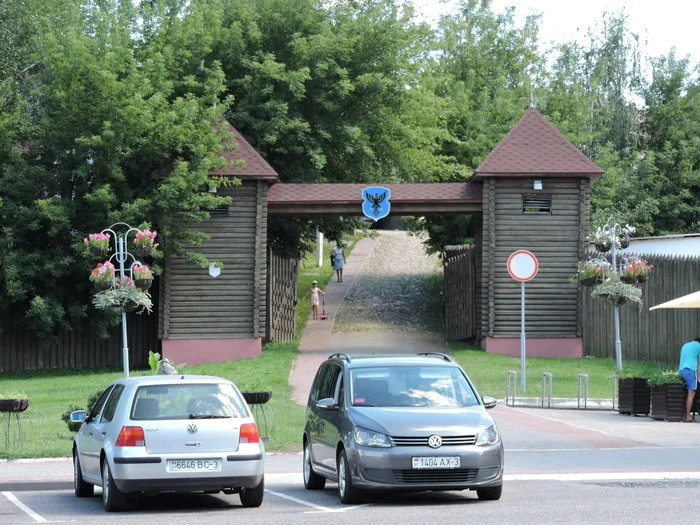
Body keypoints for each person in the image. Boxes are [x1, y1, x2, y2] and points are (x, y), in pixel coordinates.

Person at [678, 337, 700, 422]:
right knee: (691, 393)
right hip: (690, 371)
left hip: (681, 370)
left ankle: (684, 414)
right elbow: (699, 364)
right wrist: (698, 377)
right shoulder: (699, 346)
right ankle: (687, 416)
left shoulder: (685, 345)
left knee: (684, 392)